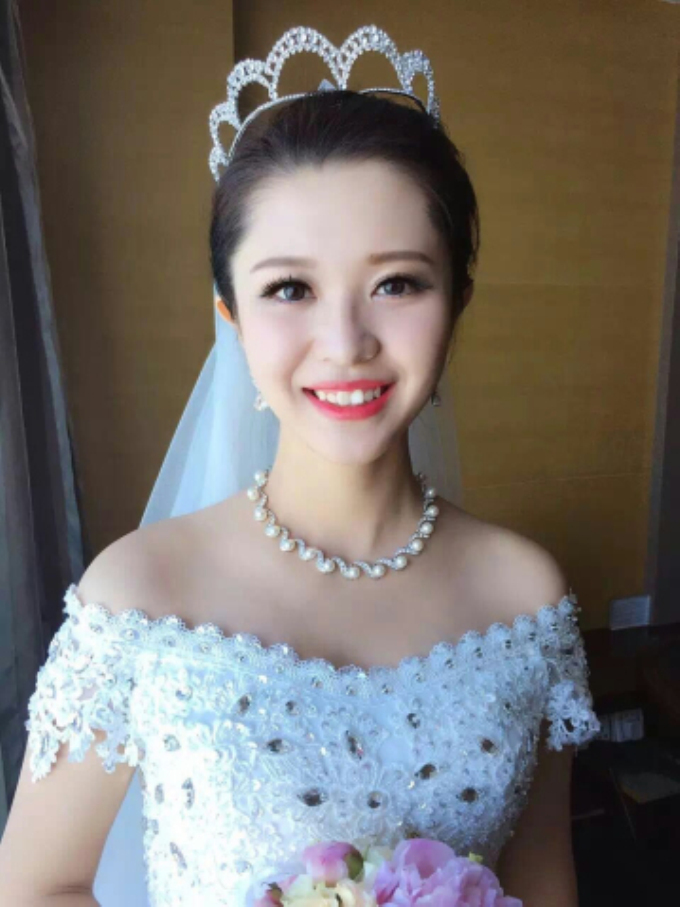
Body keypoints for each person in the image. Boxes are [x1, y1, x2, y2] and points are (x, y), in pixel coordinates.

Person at [0, 24, 601, 907]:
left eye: (397, 283)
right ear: (232, 316)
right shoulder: (137, 597)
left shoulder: (527, 600)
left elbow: (543, 878)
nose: (346, 342)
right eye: (290, 288)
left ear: (457, 301)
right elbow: (33, 884)